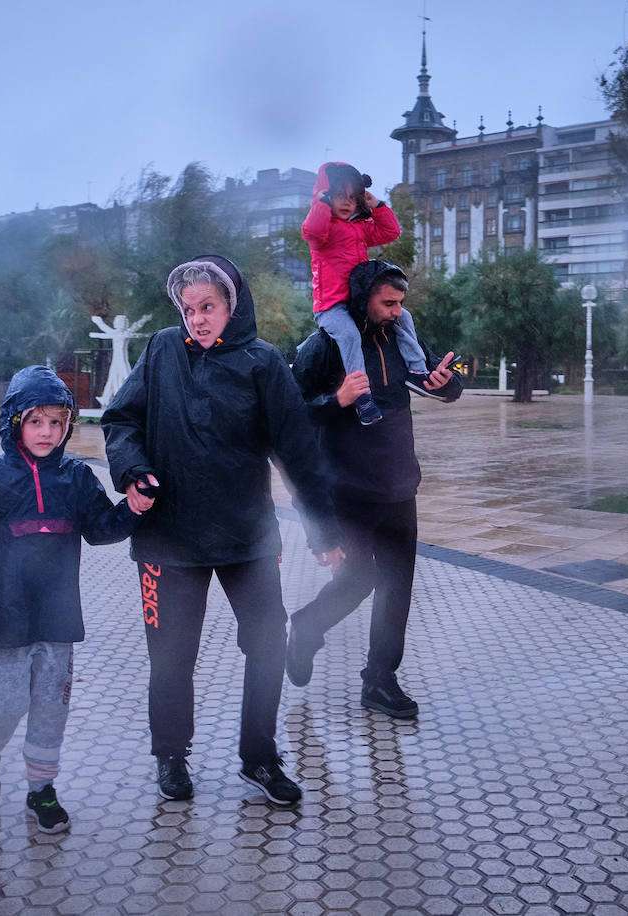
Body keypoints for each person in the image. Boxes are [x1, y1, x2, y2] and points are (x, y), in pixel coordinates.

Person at [101, 255, 344, 807]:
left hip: (246, 538)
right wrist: (132, 471)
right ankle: (171, 756)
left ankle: (258, 756)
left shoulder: (263, 364)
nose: (196, 320)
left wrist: (323, 531)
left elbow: (298, 453)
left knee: (266, 645)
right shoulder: (163, 350)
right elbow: (120, 420)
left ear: (232, 305)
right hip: (169, 537)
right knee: (171, 656)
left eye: (207, 307)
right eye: (188, 310)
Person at [0, 366, 150, 833]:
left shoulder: (76, 477)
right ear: (14, 424)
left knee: (51, 705)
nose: (47, 432)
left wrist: (132, 508)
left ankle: (41, 790)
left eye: (57, 422)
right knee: (6, 706)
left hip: (58, 615)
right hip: (3, 617)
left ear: (68, 425)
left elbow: (101, 529)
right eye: (35, 421)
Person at [287, 259, 462, 719]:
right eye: (388, 303)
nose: (397, 311)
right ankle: (306, 628)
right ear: (362, 298)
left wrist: (446, 385)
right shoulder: (323, 346)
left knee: (397, 587)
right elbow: (289, 418)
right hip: (347, 491)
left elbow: (438, 381)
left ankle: (380, 680)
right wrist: (336, 399)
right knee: (357, 580)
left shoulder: (399, 335)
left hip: (400, 486)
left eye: (401, 302)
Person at [301, 161, 428, 426]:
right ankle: (363, 397)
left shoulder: (359, 227)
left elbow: (390, 231)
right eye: (339, 196)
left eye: (352, 197)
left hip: (359, 303)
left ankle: (417, 370)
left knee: (403, 315)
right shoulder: (323, 231)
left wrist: (377, 205)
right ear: (325, 196)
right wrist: (322, 204)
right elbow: (311, 231)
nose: (347, 203)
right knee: (348, 334)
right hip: (331, 307)